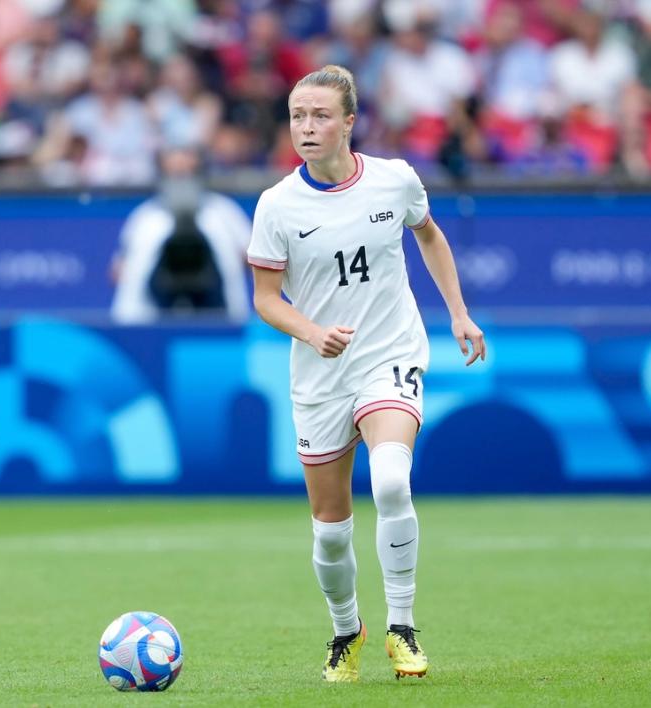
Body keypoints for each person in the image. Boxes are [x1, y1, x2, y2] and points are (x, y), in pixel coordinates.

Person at [247, 65, 486, 682]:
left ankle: (401, 627)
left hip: (389, 353)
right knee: (330, 530)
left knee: (390, 482)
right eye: (298, 115)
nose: (307, 126)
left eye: (321, 115)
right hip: (322, 374)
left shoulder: (393, 181)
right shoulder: (277, 205)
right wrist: (311, 331)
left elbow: (429, 236)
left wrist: (458, 313)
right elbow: (266, 298)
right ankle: (344, 631)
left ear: (349, 122)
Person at [111, 145, 252, 324]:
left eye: (186, 159)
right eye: (174, 167)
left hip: (220, 317)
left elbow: (254, 258)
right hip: (148, 320)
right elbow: (118, 271)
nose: (180, 166)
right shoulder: (145, 217)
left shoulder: (224, 212)